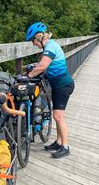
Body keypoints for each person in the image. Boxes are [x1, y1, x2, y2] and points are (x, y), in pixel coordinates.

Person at [24, 22, 74, 159]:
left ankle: (65, 146)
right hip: (59, 84)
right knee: (57, 115)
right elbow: (45, 65)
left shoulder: (50, 47)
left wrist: (28, 76)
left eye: (33, 41)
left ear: (39, 37)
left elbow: (43, 66)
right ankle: (58, 142)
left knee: (58, 116)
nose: (33, 44)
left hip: (63, 85)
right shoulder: (49, 46)